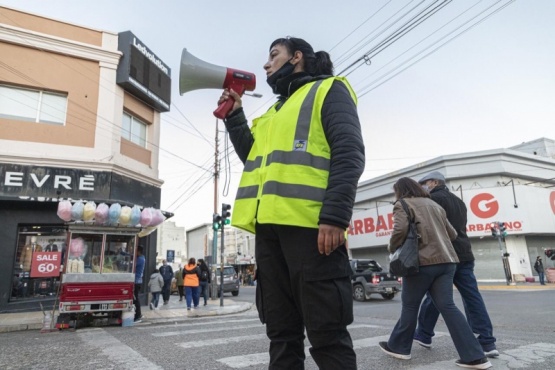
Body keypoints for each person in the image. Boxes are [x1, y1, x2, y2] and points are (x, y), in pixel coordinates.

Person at [219, 36, 365, 370]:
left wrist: (335, 216)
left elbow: (349, 152)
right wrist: (235, 117)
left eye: (273, 56)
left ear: (297, 57)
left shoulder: (329, 89)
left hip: (312, 229)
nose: (266, 64)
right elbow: (254, 159)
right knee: (281, 333)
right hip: (270, 233)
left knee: (327, 332)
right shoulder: (274, 112)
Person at [379, 177, 492, 370]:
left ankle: (399, 347)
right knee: (449, 307)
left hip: (422, 263)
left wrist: (391, 247)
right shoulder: (433, 204)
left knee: (410, 305)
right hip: (448, 262)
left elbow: (399, 230)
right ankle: (475, 357)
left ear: (400, 191)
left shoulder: (403, 204)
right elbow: (453, 234)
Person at [414, 171, 499, 358]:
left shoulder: (431, 200)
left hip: (444, 255)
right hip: (465, 254)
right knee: (471, 297)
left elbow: (428, 230)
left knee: (437, 295)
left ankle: (423, 333)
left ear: (435, 182)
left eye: (423, 183)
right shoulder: (458, 202)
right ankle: (486, 341)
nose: (421, 187)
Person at [133, 245, 145, 323]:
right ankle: (137, 314)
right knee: (135, 298)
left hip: (137, 281)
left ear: (139, 251)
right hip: (137, 281)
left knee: (136, 299)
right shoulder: (140, 258)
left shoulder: (140, 259)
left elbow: (133, 265)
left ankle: (138, 315)